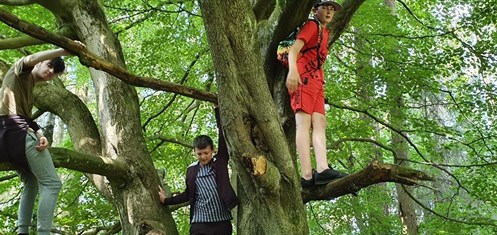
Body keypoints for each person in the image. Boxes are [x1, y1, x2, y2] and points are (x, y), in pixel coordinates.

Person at [0, 46, 76, 234]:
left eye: (56, 72)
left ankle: (22, 231)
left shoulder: (26, 87)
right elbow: (31, 58)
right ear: (39, 63)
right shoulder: (19, 72)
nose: (51, 72)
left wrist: (40, 134)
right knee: (52, 183)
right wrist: (61, 51)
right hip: (17, 135)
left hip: (6, 138)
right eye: (50, 65)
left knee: (31, 181)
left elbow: (26, 118)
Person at [285, 0, 347, 188]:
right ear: (315, 9)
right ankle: (306, 175)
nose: (329, 12)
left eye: (332, 9)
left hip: (317, 81)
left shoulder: (325, 32)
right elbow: (294, 50)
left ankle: (322, 168)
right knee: (303, 124)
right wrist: (292, 71)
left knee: (319, 122)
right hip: (303, 78)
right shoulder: (311, 25)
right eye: (325, 7)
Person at [159, 106, 239, 235]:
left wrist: (218, 111)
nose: (203, 156)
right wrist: (166, 200)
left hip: (222, 222)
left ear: (212, 150)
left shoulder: (220, 162)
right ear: (194, 152)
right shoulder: (191, 170)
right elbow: (187, 194)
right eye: (199, 153)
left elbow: (223, 136)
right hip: (200, 223)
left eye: (206, 153)